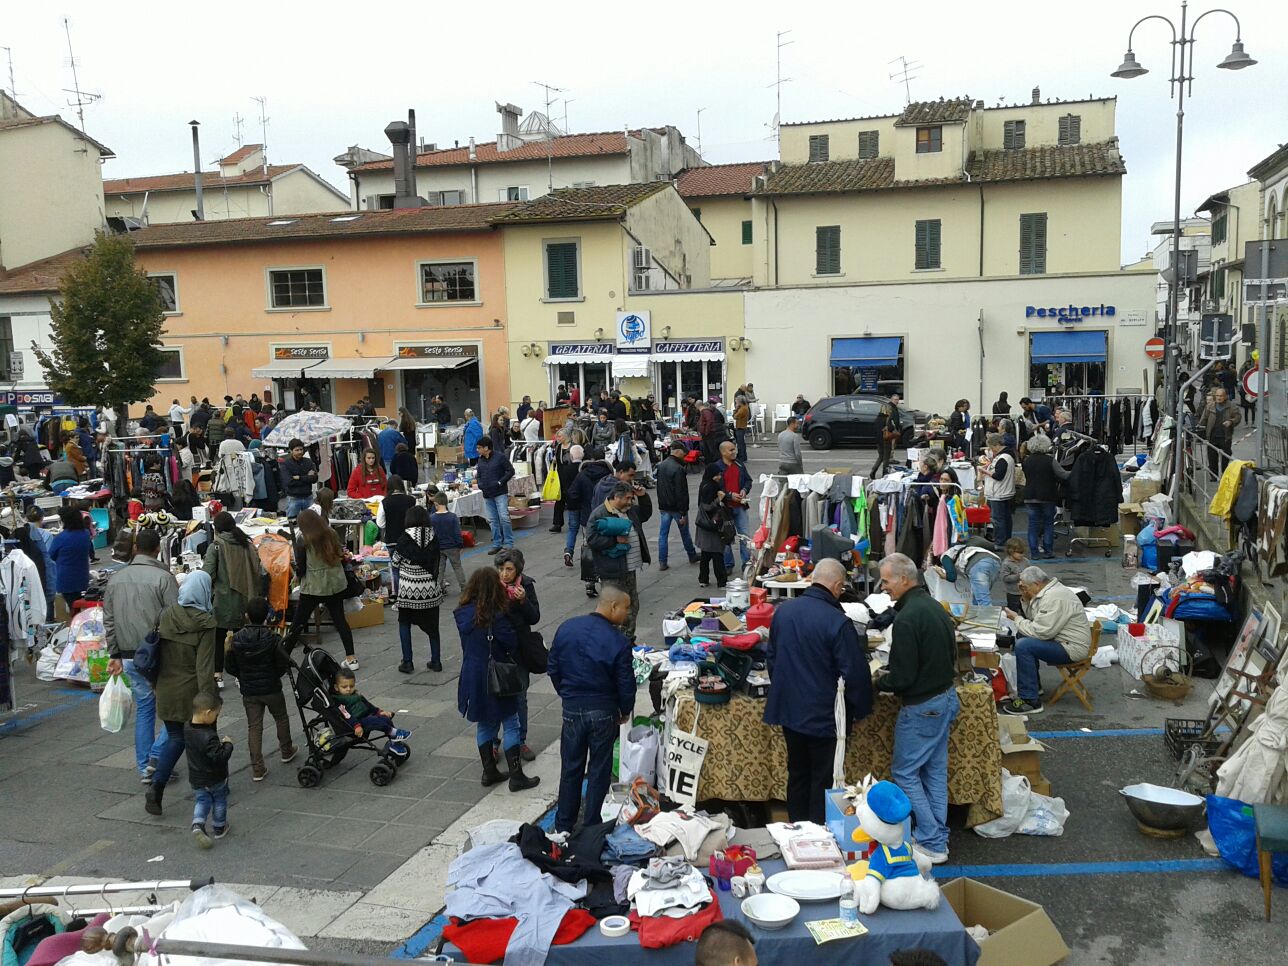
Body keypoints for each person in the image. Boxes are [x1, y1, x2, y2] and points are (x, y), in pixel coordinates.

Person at [763, 558, 873, 823]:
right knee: (823, 777)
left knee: (798, 773)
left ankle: (797, 829)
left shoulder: (784, 612)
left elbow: (772, 659)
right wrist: (859, 711)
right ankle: (818, 834)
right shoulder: (837, 622)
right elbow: (855, 674)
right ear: (835, 585)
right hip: (826, 717)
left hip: (790, 712)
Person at [876, 553, 959, 864]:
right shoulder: (932, 606)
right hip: (945, 697)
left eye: (886, 581)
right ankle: (936, 841)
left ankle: (932, 839)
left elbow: (903, 677)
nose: (883, 587)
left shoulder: (909, 617)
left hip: (923, 705)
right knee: (934, 771)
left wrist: (878, 680)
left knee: (906, 772)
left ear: (905, 579)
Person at [549, 585, 634, 832]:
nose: (627, 614)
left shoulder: (567, 628)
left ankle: (563, 824)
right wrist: (625, 709)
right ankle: (591, 825)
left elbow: (553, 667)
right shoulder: (618, 640)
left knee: (571, 767)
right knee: (599, 769)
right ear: (613, 606)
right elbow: (625, 681)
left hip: (573, 708)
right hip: (603, 710)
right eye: (625, 608)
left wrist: (566, 694)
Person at [105, 529, 179, 782]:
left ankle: (144, 764)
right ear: (158, 549)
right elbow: (175, 617)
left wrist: (113, 652)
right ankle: (156, 759)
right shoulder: (163, 578)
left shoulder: (116, 579)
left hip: (127, 654)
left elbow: (109, 620)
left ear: (136, 548)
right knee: (177, 708)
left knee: (145, 708)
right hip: (158, 653)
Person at [455, 568, 539, 791]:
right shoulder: (498, 617)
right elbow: (510, 643)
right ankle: (516, 775)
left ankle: (489, 771)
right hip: (497, 675)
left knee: (485, 724)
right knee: (511, 722)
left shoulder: (462, 614)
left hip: (473, 675)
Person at [145, 570, 217, 816]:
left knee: (175, 738)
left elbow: (154, 654)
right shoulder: (206, 624)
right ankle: (210, 787)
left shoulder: (165, 615)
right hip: (193, 691)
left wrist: (155, 684)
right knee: (202, 741)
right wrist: (209, 699)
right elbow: (204, 667)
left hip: (165, 687)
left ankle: (157, 787)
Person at [1001, 567, 1093, 716]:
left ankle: (1030, 701)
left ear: (1036, 584)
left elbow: (1041, 631)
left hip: (1071, 648)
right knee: (1022, 637)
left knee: (1024, 645)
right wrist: (1025, 597)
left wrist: (1016, 619)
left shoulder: (1054, 598)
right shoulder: (1047, 593)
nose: (1024, 589)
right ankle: (1033, 687)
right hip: (1063, 641)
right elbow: (1034, 619)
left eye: (1025, 587)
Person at [223, 596, 295, 782]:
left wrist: (242, 675)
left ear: (246, 616)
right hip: (271, 687)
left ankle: (257, 767)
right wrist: (274, 675)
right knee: (281, 717)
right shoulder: (272, 638)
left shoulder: (236, 639)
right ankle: (286, 750)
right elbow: (282, 663)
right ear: (267, 616)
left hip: (249, 690)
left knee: (254, 726)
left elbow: (230, 665)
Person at [284, 509, 357, 669]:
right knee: (340, 620)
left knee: (298, 623)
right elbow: (340, 555)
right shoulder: (331, 533)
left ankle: (283, 658)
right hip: (334, 583)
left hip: (313, 586)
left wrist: (297, 575)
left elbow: (302, 567)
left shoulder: (303, 539)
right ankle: (351, 658)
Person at [203, 511, 266, 689]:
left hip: (222, 600)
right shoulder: (245, 543)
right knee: (241, 638)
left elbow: (208, 573)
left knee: (218, 637)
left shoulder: (216, 546)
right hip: (246, 597)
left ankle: (218, 675)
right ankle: (241, 673)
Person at [585, 481, 652, 642]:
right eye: (628, 498)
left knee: (632, 605)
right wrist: (614, 540)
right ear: (616, 497)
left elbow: (645, 514)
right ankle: (613, 641)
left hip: (629, 569)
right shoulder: (600, 513)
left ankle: (628, 638)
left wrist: (643, 496)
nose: (630, 502)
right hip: (612, 570)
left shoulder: (629, 511)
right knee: (614, 609)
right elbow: (592, 539)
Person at [497, 548, 540, 761]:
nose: (504, 574)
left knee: (520, 696)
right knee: (496, 695)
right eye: (501, 569)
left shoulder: (527, 586)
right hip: (498, 650)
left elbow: (534, 618)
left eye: (509, 569)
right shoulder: (493, 587)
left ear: (517, 570)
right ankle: (494, 742)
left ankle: (520, 740)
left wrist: (524, 602)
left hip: (520, 649)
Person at [392, 506, 444, 674]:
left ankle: (408, 662)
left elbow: (395, 562)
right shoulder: (434, 536)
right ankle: (436, 661)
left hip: (409, 591)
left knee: (404, 624)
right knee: (433, 627)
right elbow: (437, 560)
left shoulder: (404, 538)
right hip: (430, 591)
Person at [185, 693, 234, 849]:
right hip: (215, 777)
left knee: (202, 800)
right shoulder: (209, 737)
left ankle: (198, 823)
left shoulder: (187, 727)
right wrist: (228, 745)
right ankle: (219, 826)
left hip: (197, 777)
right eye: (216, 714)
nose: (216, 717)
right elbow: (220, 757)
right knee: (219, 799)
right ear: (207, 713)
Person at [704, 440, 753, 574]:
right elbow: (713, 488)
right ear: (723, 452)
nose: (734, 452)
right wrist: (730, 495)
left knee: (745, 536)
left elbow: (748, 480)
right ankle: (728, 564)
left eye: (734, 449)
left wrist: (744, 489)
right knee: (726, 537)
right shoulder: (716, 467)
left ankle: (747, 563)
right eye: (731, 450)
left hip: (740, 506)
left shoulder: (739, 464)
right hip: (724, 509)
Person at [1021, 433, 1068, 558]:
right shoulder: (1050, 460)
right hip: (1048, 496)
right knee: (1048, 523)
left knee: (1032, 525)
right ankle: (1048, 551)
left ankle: (1034, 552)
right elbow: (1063, 475)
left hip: (1030, 495)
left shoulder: (1026, 461)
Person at [655, 440, 699, 571]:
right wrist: (683, 511)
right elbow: (681, 492)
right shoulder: (678, 468)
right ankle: (691, 555)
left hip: (664, 506)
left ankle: (662, 561)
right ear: (679, 452)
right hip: (676, 507)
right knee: (685, 533)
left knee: (663, 535)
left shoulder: (661, 465)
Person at [334, 667, 411, 740]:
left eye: (351, 686)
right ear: (336, 687)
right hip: (357, 722)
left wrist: (379, 712)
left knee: (385, 719)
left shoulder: (356, 694)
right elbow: (347, 715)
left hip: (367, 715)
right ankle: (393, 733)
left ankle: (394, 740)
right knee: (374, 720)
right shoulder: (339, 700)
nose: (348, 689)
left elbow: (368, 705)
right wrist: (356, 725)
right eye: (344, 687)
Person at [566, 448, 610, 573]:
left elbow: (572, 493)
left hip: (587, 514)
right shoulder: (609, 474)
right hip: (606, 513)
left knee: (589, 543)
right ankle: (604, 571)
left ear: (591, 459)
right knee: (607, 541)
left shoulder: (582, 474)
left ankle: (589, 579)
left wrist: (581, 501)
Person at [475, 436, 515, 554]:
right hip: (487, 494)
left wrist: (500, 482)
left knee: (504, 517)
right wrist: (480, 484)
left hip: (499, 492)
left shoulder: (500, 457)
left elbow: (510, 471)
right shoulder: (481, 460)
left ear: (486, 448)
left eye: (479, 448)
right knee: (492, 520)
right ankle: (496, 543)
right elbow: (479, 474)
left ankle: (508, 542)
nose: (477, 450)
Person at [934, 538, 1001, 607]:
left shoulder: (945, 555)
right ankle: (978, 616)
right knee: (977, 597)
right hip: (995, 561)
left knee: (983, 601)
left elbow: (952, 576)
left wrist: (942, 574)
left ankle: (987, 617)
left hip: (978, 564)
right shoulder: (965, 548)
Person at [49, 507, 92, 613]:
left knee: (74, 609)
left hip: (66, 580)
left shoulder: (60, 538)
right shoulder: (86, 534)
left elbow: (51, 555)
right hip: (82, 576)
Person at [694, 477, 732, 588]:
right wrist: (719, 500)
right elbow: (708, 507)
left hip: (704, 530)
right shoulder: (711, 487)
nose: (719, 476)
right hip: (712, 529)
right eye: (717, 474)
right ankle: (721, 581)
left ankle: (703, 579)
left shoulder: (705, 485)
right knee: (717, 556)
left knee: (705, 556)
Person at [981, 433, 1016, 549]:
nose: (991, 450)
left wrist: (984, 471)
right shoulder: (1007, 455)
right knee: (1005, 518)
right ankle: (1006, 540)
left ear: (996, 445)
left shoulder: (1003, 458)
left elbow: (998, 475)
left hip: (998, 493)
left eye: (991, 447)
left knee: (998, 519)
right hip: (1004, 492)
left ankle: (1000, 542)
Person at [1200, 386, 1241, 477]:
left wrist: (1231, 422)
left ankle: (1224, 473)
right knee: (1212, 457)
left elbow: (1238, 417)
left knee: (1225, 456)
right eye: (1217, 395)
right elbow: (1204, 419)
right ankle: (1213, 475)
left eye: (1221, 396)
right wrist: (1200, 430)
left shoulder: (1232, 406)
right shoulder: (1210, 406)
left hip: (1225, 436)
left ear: (1226, 396)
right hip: (1212, 436)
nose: (1219, 398)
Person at [431, 492, 467, 591]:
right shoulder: (453, 517)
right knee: (457, 567)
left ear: (436, 504)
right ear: (447, 503)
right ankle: (464, 587)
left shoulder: (432, 518)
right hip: (452, 547)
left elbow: (431, 535)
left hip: (439, 547)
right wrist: (460, 545)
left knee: (440, 569)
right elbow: (457, 533)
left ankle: (437, 588)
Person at [24, 506, 56, 621]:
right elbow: (49, 557)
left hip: (30, 578)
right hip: (45, 577)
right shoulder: (47, 535)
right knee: (47, 611)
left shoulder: (24, 534)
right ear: (42, 518)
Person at [281, 439, 318, 518]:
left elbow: (314, 478)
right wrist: (307, 477)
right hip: (293, 499)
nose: (300, 452)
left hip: (308, 497)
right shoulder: (286, 464)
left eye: (301, 449)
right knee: (292, 524)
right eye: (296, 450)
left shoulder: (308, 462)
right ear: (291, 451)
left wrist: (299, 477)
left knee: (312, 523)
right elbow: (289, 482)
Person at [378, 475, 416, 546]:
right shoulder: (412, 500)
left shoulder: (384, 502)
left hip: (391, 540)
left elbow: (380, 523)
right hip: (409, 540)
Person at [1000, 538, 1028, 612]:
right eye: (1019, 552)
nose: (1022, 555)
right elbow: (1005, 578)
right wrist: (1018, 576)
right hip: (1013, 593)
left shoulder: (1025, 561)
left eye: (1023, 552)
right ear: (1011, 552)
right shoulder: (1007, 563)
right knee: (1012, 611)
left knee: (1026, 611)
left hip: (1025, 591)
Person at [697, 397, 727, 465]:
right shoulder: (716, 411)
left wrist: (706, 432)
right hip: (719, 431)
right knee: (716, 449)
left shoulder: (706, 412)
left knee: (711, 450)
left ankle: (714, 464)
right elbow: (722, 420)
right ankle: (719, 462)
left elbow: (708, 423)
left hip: (712, 433)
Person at [733, 395, 751, 463]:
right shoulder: (744, 407)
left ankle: (742, 457)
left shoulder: (743, 409)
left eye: (736, 400)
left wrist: (736, 408)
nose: (735, 401)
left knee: (740, 443)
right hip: (741, 426)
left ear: (739, 401)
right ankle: (743, 456)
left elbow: (735, 416)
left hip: (740, 427)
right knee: (741, 443)